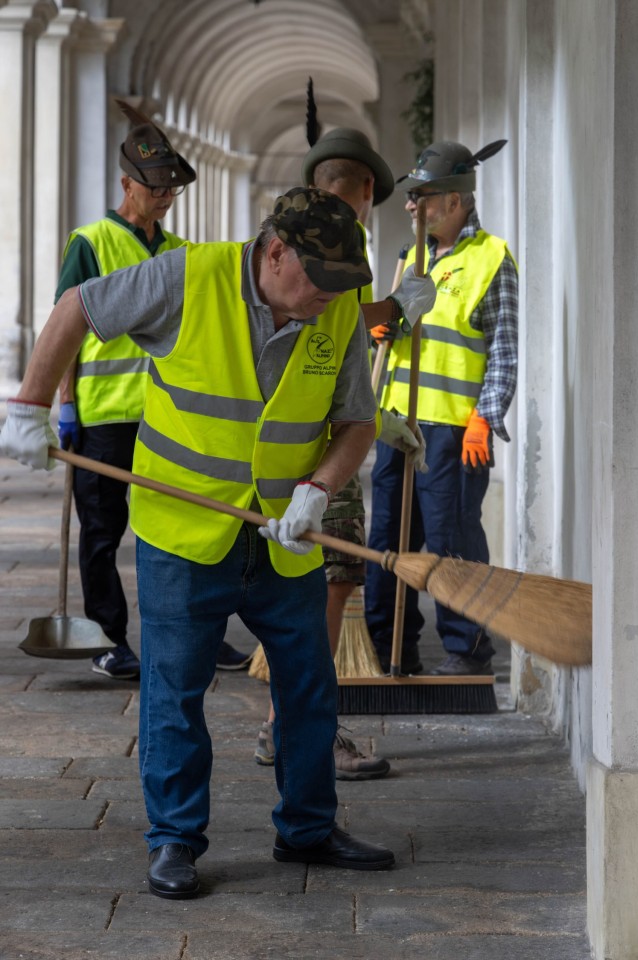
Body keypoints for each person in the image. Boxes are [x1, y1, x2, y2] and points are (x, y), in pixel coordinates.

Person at [1, 187, 404, 899]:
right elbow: (78, 309)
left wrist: (318, 487)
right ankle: (175, 842)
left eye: (342, 286)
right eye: (319, 281)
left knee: (308, 687)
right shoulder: (189, 277)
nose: (329, 299)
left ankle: (308, 829)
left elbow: (357, 422)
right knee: (174, 692)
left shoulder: (335, 308)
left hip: (283, 537)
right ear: (276, 252)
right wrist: (33, 404)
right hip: (184, 536)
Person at [254, 128, 432, 778]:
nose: (365, 209)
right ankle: (296, 725)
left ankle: (295, 720)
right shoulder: (322, 243)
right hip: (308, 447)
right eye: (366, 197)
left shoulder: (305, 234)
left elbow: (344, 353)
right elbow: (329, 323)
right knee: (322, 585)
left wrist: (377, 420)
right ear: (356, 187)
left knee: (325, 582)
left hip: (325, 431)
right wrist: (397, 308)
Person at [55, 107, 249, 680]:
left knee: (186, 530)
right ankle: (108, 638)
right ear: (126, 184)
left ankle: (202, 634)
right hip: (104, 416)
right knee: (101, 532)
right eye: (154, 188)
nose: (164, 198)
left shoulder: (182, 252)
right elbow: (65, 322)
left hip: (170, 418)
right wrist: (64, 404)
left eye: (170, 189)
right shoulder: (89, 243)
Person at [365, 140, 518, 677]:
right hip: (396, 426)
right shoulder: (413, 259)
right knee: (388, 538)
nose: (410, 207)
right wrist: (381, 329)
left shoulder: (491, 259)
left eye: (422, 198)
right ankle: (389, 645)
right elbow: (400, 337)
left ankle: (468, 649)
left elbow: (502, 346)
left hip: (453, 431)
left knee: (451, 540)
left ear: (455, 201)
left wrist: (486, 415)